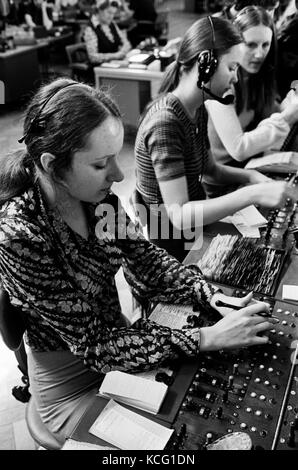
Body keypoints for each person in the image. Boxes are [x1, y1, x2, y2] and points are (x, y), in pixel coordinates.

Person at [0, 77, 276, 446]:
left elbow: (150, 263)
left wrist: (211, 296)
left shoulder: (99, 201)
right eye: (101, 164)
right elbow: (97, 345)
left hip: (125, 348)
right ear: (52, 164)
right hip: (74, 386)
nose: (117, 175)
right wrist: (207, 337)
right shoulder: (20, 236)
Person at [134, 15, 298, 261]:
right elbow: (178, 214)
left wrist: (252, 177)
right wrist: (251, 194)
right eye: (232, 68)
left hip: (193, 231)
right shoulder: (165, 123)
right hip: (171, 248)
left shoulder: (197, 107)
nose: (235, 78)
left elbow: (210, 169)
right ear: (205, 65)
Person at [205, 6, 298, 197]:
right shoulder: (221, 82)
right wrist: (288, 115)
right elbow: (238, 149)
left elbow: (271, 117)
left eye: (265, 45)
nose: (259, 54)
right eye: (251, 45)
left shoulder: (259, 77)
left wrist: (289, 103)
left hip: (253, 168)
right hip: (222, 183)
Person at [83, 0, 131, 65]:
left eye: (113, 13)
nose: (111, 17)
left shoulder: (112, 24)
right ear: (99, 10)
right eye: (109, 12)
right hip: (99, 69)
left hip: (115, 65)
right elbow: (92, 57)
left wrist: (123, 50)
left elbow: (125, 42)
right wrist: (115, 55)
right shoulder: (90, 29)